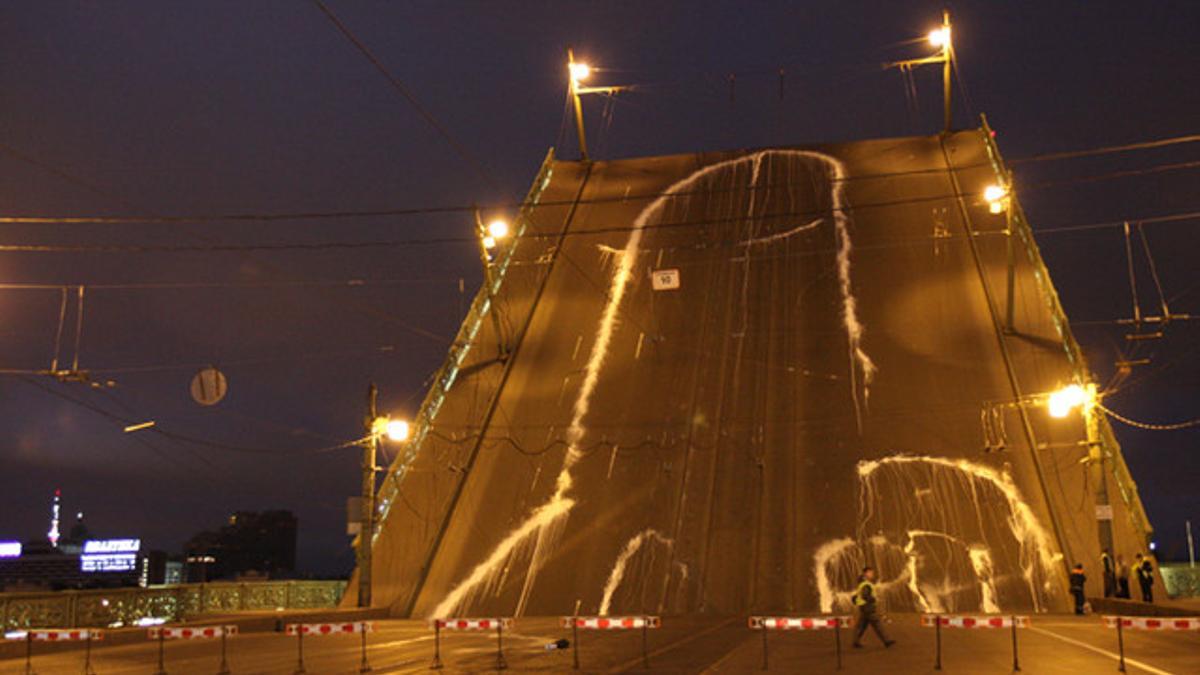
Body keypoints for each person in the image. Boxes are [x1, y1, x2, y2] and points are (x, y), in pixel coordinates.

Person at [852, 566, 895, 649]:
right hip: (868, 607)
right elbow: (865, 595)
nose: (872, 574)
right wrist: (872, 599)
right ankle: (887, 641)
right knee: (877, 624)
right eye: (871, 572)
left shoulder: (862, 583)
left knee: (862, 625)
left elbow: (859, 596)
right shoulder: (866, 584)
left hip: (864, 607)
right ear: (866, 573)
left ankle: (855, 641)